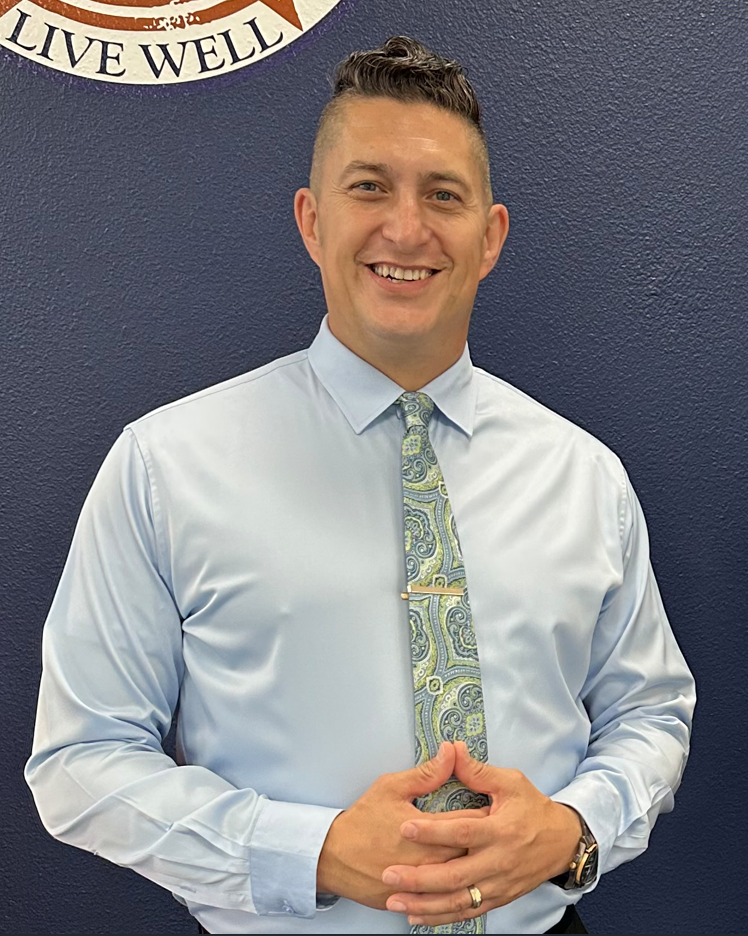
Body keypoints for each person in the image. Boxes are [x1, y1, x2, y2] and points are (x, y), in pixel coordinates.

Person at [26, 36, 695, 936]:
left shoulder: (586, 478)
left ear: (490, 238)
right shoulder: (165, 466)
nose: (407, 230)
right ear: (312, 221)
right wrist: (311, 852)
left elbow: (651, 713)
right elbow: (80, 762)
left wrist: (575, 832)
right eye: (370, 187)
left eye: (443, 195)